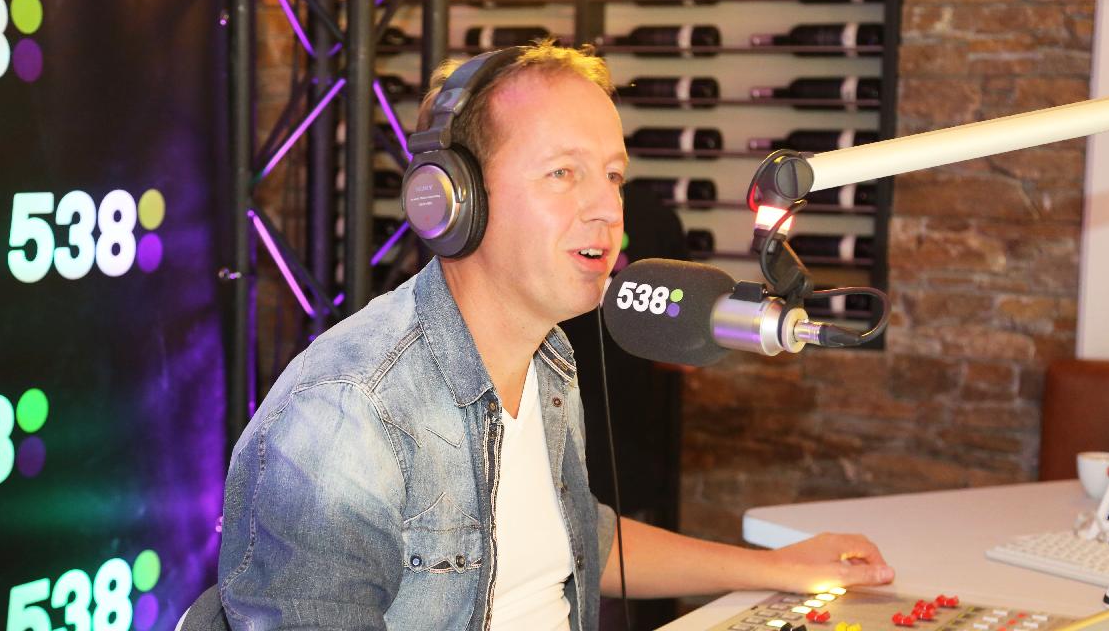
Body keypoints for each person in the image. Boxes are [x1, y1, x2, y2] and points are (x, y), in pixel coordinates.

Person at [217, 41, 894, 631]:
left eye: (613, 175)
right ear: (452, 200)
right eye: (562, 173)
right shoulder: (346, 417)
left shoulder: (547, 356)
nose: (606, 209)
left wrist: (773, 567)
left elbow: (574, 536)